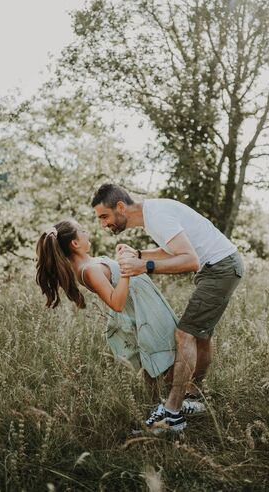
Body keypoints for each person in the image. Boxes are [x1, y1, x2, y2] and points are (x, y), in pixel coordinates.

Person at [91, 184, 244, 433]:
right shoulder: (153, 215)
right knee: (200, 336)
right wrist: (139, 253)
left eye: (104, 216)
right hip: (217, 268)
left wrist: (144, 266)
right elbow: (173, 250)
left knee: (185, 334)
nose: (103, 224)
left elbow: (190, 260)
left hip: (221, 269)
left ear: (120, 207)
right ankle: (194, 398)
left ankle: (172, 413)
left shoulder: (157, 216)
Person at [35, 218, 185, 421]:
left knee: (159, 361)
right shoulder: (88, 270)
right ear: (75, 243)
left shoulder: (90, 264)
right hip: (142, 313)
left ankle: (165, 407)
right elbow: (117, 303)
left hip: (147, 306)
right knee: (164, 358)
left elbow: (115, 279)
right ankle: (165, 410)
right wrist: (125, 269)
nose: (87, 232)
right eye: (82, 230)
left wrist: (123, 258)